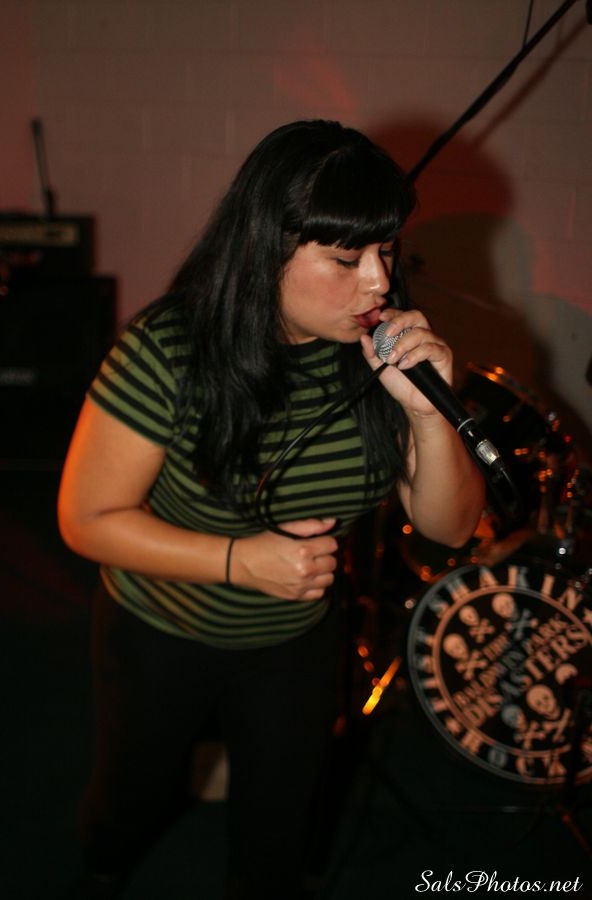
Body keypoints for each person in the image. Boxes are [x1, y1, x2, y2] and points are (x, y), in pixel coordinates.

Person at [57, 119, 485, 899]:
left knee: (277, 834)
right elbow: (86, 518)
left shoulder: (381, 353)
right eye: (346, 259)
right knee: (130, 801)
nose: (378, 282)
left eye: (386, 251)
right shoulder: (169, 348)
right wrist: (240, 561)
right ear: (264, 250)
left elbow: (450, 530)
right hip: (160, 627)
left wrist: (426, 412)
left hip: (293, 639)